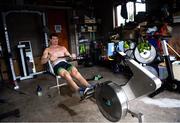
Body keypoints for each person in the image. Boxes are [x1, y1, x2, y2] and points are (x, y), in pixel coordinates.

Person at [41, 33, 93, 97]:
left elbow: (69, 56)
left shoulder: (62, 48)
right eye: (54, 39)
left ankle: (89, 86)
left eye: (57, 39)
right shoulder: (47, 50)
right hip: (56, 65)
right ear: (50, 40)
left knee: (75, 71)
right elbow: (42, 62)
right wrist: (48, 57)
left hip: (65, 63)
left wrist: (72, 57)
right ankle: (79, 90)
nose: (56, 40)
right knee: (66, 74)